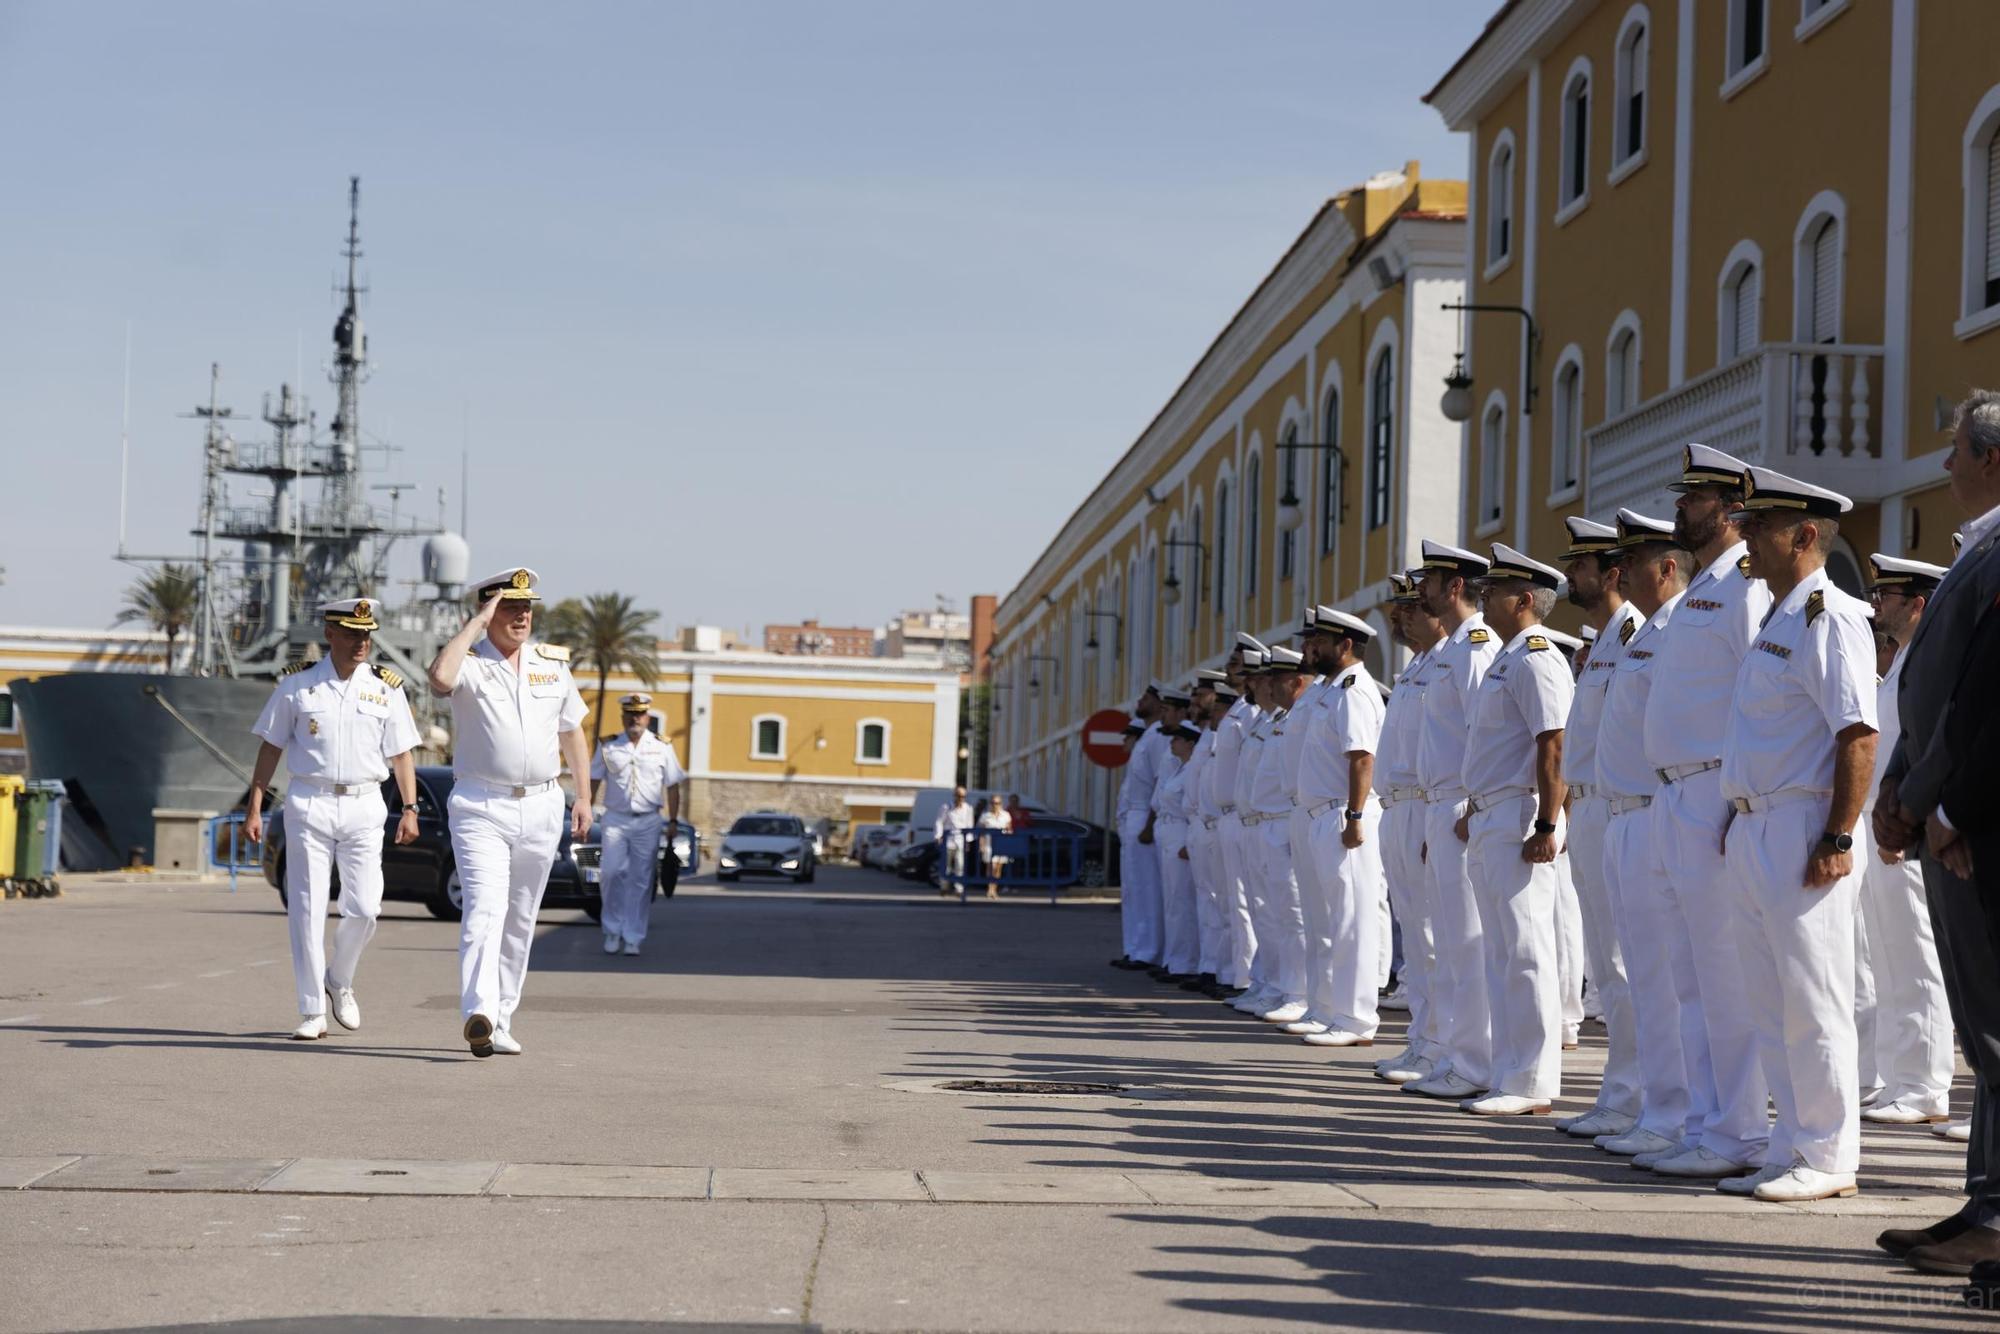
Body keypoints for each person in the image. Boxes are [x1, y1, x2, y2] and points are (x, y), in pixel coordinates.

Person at [1719, 466, 1877, 1203]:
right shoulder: (1777, 617)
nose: (1745, 534)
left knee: (1813, 998)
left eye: (1760, 526)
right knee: (1770, 997)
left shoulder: (1829, 615)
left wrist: (1838, 836)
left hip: (1803, 824)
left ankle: (1828, 1154)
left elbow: (1857, 734)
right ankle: (1790, 1142)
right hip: (1758, 824)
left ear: (1805, 536)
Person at [1874, 389, 2000, 1276]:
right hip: (1951, 814)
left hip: (1978, 821)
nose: (1946, 464)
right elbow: (1932, 693)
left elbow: (1988, 703)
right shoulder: (1980, 544)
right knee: (1987, 1031)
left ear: (1991, 455)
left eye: (1955, 449)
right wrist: (1905, 791)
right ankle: (1988, 1208)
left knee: (1998, 1030)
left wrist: (1951, 807)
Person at [1638, 444, 1773, 1180]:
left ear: (1727, 508)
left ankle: (1739, 1132)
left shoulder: (1747, 587)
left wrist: (1732, 798)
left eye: (1691, 500)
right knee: (1688, 975)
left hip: (1713, 791)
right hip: (1674, 793)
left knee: (1723, 976)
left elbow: (1758, 701)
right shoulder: (1700, 591)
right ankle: (1703, 1122)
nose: (1679, 510)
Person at [427, 568, 592, 1058]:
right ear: (487, 611)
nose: (522, 615)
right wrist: (475, 624)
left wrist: (582, 796)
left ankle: (501, 1018)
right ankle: (478, 1010)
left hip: (542, 804)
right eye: (510, 606)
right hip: (481, 804)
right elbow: (438, 680)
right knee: (484, 908)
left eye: (527, 607)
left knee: (521, 917)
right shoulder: (470, 665)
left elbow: (572, 733)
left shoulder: (551, 665)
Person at [246, 597, 421, 1040]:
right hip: (310, 801)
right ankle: (311, 1011)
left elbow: (401, 753)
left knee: (365, 907)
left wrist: (411, 807)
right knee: (306, 909)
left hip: (365, 803)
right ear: (330, 634)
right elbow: (271, 747)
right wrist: (254, 806)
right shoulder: (297, 687)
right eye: (352, 633)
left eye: (366, 634)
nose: (362, 642)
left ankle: (338, 979)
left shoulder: (386, 687)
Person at [1593, 510, 1708, 1164]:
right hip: (1627, 814)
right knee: (1642, 972)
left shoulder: (1676, 626)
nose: (1620, 575)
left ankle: (1674, 1112)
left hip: (1658, 807)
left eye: (1632, 563)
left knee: (1667, 977)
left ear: (1667, 568)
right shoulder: (1649, 631)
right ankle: (1652, 1104)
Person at [1452, 544, 1574, 1116]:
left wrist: (1548, 823)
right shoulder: (1505, 658)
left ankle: (1532, 1080)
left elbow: (1554, 746)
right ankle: (1508, 1070)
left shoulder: (1535, 656)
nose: (1483, 599)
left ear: (1524, 600)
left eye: (1494, 591)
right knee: (1500, 950)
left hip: (1521, 812)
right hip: (1492, 813)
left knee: (1525, 950)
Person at [1855, 555, 1955, 1127]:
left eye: (1886, 595)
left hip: (1902, 830)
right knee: (1887, 958)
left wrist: (1904, 821)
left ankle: (1924, 1084)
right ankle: (1899, 1076)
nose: (1876, 604)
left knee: (1916, 958)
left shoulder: (1929, 665)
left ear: (1917, 604)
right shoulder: (1902, 666)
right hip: (1876, 822)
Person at [1554, 517, 1644, 1138]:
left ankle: (1639, 1095)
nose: (1570, 575)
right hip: (1588, 809)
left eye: (1581, 565)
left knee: (1628, 961)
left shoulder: (1634, 633)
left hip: (1619, 807)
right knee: (1607, 964)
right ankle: (1622, 1089)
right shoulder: (1606, 640)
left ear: (1612, 574)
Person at [1407, 539, 1500, 1103]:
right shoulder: (1451, 651)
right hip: (1440, 806)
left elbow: (1480, 735)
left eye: (1431, 581)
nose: (1422, 591)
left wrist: (1468, 803)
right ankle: (1454, 1054)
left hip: (1463, 807)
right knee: (1448, 939)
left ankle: (1475, 1060)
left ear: (1456, 586)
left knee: (1468, 943)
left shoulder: (1475, 648)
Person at [1296, 606, 1388, 1048]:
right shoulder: (1329, 690)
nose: (1310, 648)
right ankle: (1328, 1008)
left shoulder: (1354, 690)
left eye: (1319, 641)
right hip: (1321, 814)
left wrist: (1353, 816)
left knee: (1352, 922)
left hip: (1342, 814)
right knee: (1327, 920)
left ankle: (1356, 1019)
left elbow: (1362, 758)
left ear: (1345, 645)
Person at [1374, 572, 1446, 1085]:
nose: (1401, 618)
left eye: (1411, 608)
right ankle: (1422, 1039)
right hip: (1399, 807)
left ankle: (1441, 1044)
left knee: (1434, 936)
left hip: (1427, 804)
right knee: (1416, 938)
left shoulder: (1453, 659)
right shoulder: (1417, 667)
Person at [589, 693, 686, 957]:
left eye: (640, 714)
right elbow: (594, 779)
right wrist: (585, 809)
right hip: (615, 819)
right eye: (630, 714)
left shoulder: (662, 746)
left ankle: (633, 936)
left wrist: (674, 820)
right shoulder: (608, 746)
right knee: (610, 873)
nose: (635, 719)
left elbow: (673, 785)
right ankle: (611, 929)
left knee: (640, 880)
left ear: (647, 717)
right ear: (623, 717)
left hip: (648, 820)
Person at [1245, 646, 1312, 1025]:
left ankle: (1297, 992)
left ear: (1295, 682)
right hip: (1266, 821)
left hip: (1288, 818)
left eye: (1274, 680)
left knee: (1294, 912)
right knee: (1271, 912)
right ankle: (1275, 984)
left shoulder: (1297, 715)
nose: (1267, 687)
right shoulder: (1274, 720)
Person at [1112, 684, 1167, 968]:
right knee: (1134, 889)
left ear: (1160, 705)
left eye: (1146, 698)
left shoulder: (1158, 736)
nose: (1140, 700)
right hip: (1133, 819)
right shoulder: (1148, 736)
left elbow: (1161, 782)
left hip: (1144, 817)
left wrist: (1149, 824)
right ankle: (1135, 948)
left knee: (1147, 889)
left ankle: (1149, 952)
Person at [934, 785, 976, 898]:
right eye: (959, 796)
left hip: (961, 840)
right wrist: (938, 836)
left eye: (963, 796)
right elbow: (939, 822)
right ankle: (944, 887)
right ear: (954, 796)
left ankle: (959, 889)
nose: (961, 798)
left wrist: (968, 841)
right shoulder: (946, 807)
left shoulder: (968, 808)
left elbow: (969, 824)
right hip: (948, 840)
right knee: (946, 865)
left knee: (960, 865)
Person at [976, 793, 1012, 899]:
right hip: (988, 844)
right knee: (990, 867)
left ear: (1001, 804)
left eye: (997, 803)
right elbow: (980, 831)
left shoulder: (1006, 815)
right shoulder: (985, 815)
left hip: (1001, 844)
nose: (995, 805)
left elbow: (1009, 829)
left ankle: (994, 889)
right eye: (993, 803)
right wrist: (981, 844)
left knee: (998, 868)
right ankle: (990, 889)